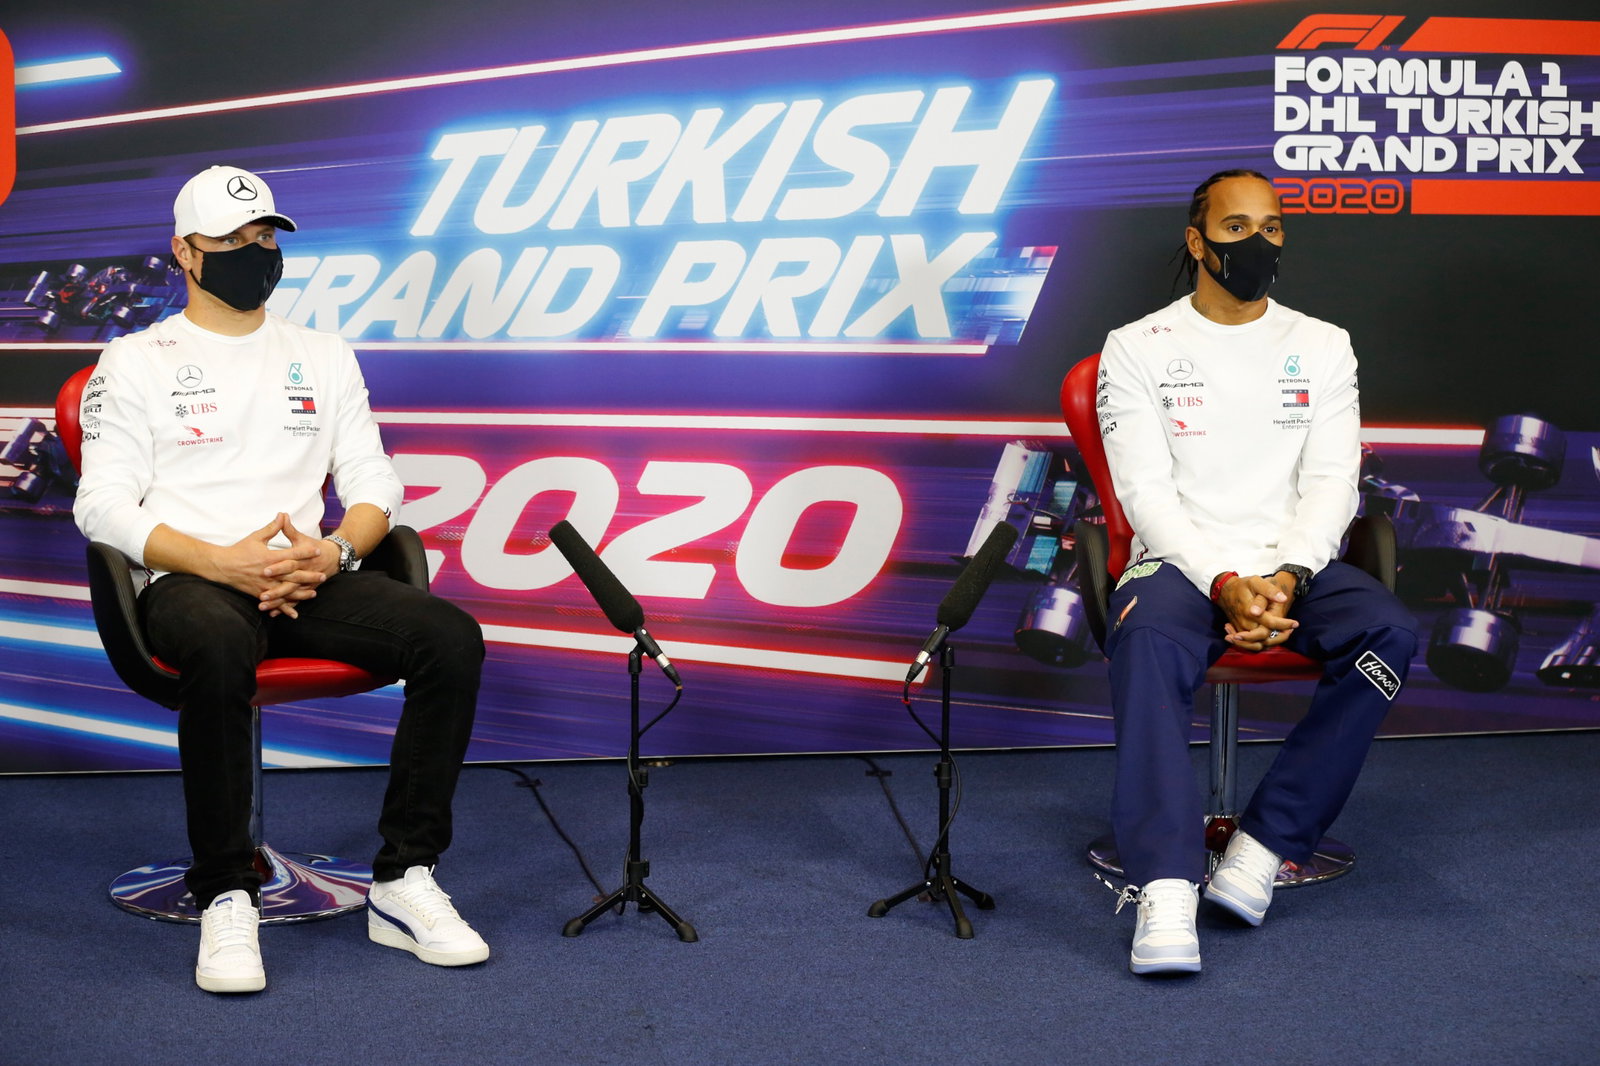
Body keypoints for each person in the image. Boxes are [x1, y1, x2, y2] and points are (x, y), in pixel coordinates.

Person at [74, 165, 490, 993]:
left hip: (308, 576)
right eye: (230, 241)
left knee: (450, 637)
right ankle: (228, 891)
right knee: (222, 640)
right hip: (190, 583)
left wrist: (333, 551)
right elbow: (102, 506)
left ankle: (404, 880)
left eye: (264, 238)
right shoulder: (133, 360)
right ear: (185, 254)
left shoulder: (323, 354)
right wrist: (219, 559)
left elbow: (376, 483)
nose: (252, 253)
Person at [1093, 169, 1418, 976]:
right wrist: (1223, 580)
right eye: (1236, 229)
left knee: (1390, 631)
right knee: (1148, 645)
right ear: (1198, 242)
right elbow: (1144, 494)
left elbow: (1332, 482)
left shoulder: (1322, 343)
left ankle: (1265, 846)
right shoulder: (1137, 347)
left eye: (1271, 228)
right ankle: (1165, 887)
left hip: (1293, 567)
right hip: (1178, 563)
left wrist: (1289, 576)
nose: (1258, 243)